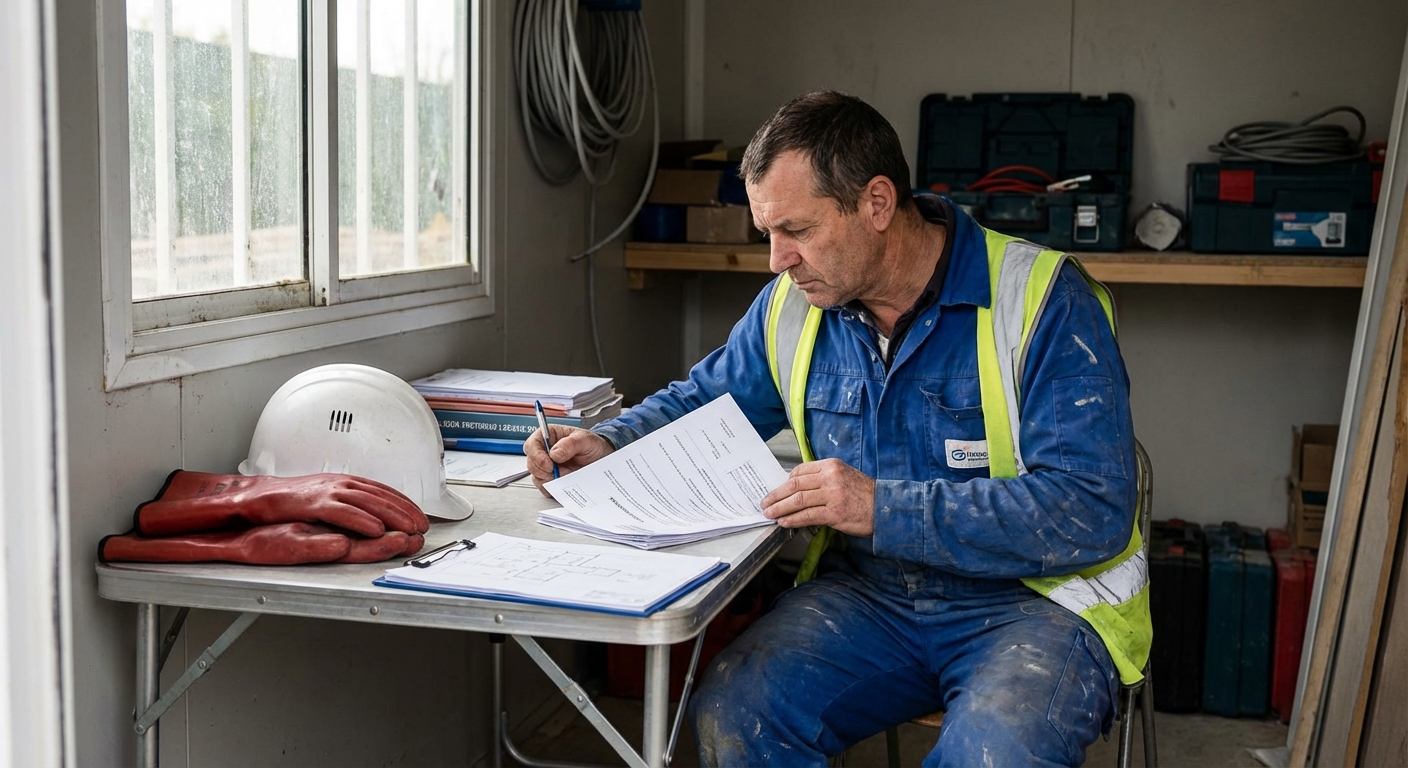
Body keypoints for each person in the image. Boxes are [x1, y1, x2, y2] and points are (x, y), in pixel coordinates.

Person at [526, 91, 1150, 767]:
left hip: (1034, 604)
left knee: (994, 753)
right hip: (873, 599)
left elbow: (1092, 509)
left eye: (795, 230)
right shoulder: (795, 307)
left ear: (876, 204)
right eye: (768, 233)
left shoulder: (1043, 300)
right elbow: (705, 402)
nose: (776, 260)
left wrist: (883, 507)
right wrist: (613, 442)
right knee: (736, 715)